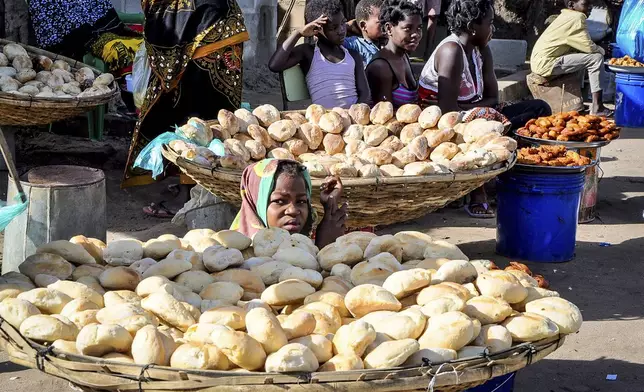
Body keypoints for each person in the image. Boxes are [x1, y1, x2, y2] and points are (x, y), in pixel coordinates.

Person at [418, 0, 551, 218]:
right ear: (472, 27)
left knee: (539, 110)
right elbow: (448, 111)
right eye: (490, 23)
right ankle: (476, 194)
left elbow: (492, 97)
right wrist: (481, 109)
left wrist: (478, 108)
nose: (493, 29)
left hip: (473, 112)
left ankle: (515, 175)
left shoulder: (482, 51)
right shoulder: (452, 51)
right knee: (489, 121)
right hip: (444, 123)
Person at [122, 0, 249, 219]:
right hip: (217, 23)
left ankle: (190, 193)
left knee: (195, 114)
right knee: (208, 113)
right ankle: (204, 182)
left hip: (201, 27)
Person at [268, 0, 370, 109]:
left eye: (343, 23)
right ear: (316, 29)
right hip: (323, 120)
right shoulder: (309, 53)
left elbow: (365, 94)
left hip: (352, 117)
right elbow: (274, 65)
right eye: (333, 28)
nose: (341, 30)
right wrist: (298, 33)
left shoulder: (353, 56)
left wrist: (354, 113)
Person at [230, 159, 347, 249]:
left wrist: (329, 209)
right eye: (280, 201)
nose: (293, 210)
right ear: (256, 204)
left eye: (301, 201)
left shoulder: (304, 246)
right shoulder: (235, 254)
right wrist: (322, 246)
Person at [530, 0, 611, 116]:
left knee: (584, 56)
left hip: (540, 61)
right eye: (585, 4)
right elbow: (588, 46)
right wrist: (602, 50)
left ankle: (583, 102)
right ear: (571, 5)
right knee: (596, 58)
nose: (590, 7)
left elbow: (581, 44)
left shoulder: (567, 16)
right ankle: (597, 107)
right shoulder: (577, 17)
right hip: (546, 63)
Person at [28, 0, 142, 77]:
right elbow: (51, 33)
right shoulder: (42, 3)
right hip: (79, 40)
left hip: (101, 30)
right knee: (119, 51)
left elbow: (100, 7)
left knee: (151, 42)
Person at [366, 0, 423, 107]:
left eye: (419, 28)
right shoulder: (381, 67)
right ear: (389, 28)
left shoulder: (403, 56)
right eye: (408, 28)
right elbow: (383, 115)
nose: (416, 34)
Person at [343, 0, 384, 66]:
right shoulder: (356, 44)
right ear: (363, 25)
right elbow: (333, 40)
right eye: (381, 21)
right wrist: (346, 26)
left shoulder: (390, 40)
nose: (385, 24)